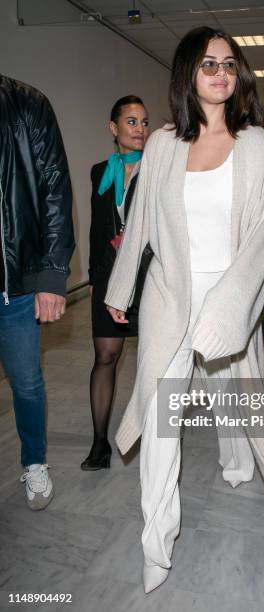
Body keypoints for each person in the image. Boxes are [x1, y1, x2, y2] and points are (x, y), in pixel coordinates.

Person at [105, 26, 264, 593]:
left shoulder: (255, 143)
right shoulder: (162, 143)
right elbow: (140, 223)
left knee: (229, 389)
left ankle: (237, 461)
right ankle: (155, 542)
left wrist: (233, 301)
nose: (221, 74)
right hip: (169, 295)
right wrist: (119, 289)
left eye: (230, 65)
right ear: (188, 72)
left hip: (229, 291)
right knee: (164, 423)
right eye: (209, 64)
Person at [0, 74, 74, 509]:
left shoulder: (26, 104)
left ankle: (34, 463)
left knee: (26, 383)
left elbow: (54, 190)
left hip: (17, 285)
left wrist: (50, 275)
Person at [81, 96, 152, 471]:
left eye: (144, 122)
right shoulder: (99, 173)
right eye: (131, 122)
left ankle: (158, 445)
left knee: (155, 362)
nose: (140, 129)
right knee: (106, 356)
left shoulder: (158, 170)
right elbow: (97, 229)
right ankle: (99, 444)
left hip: (150, 278)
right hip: (110, 278)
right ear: (114, 129)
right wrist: (95, 277)